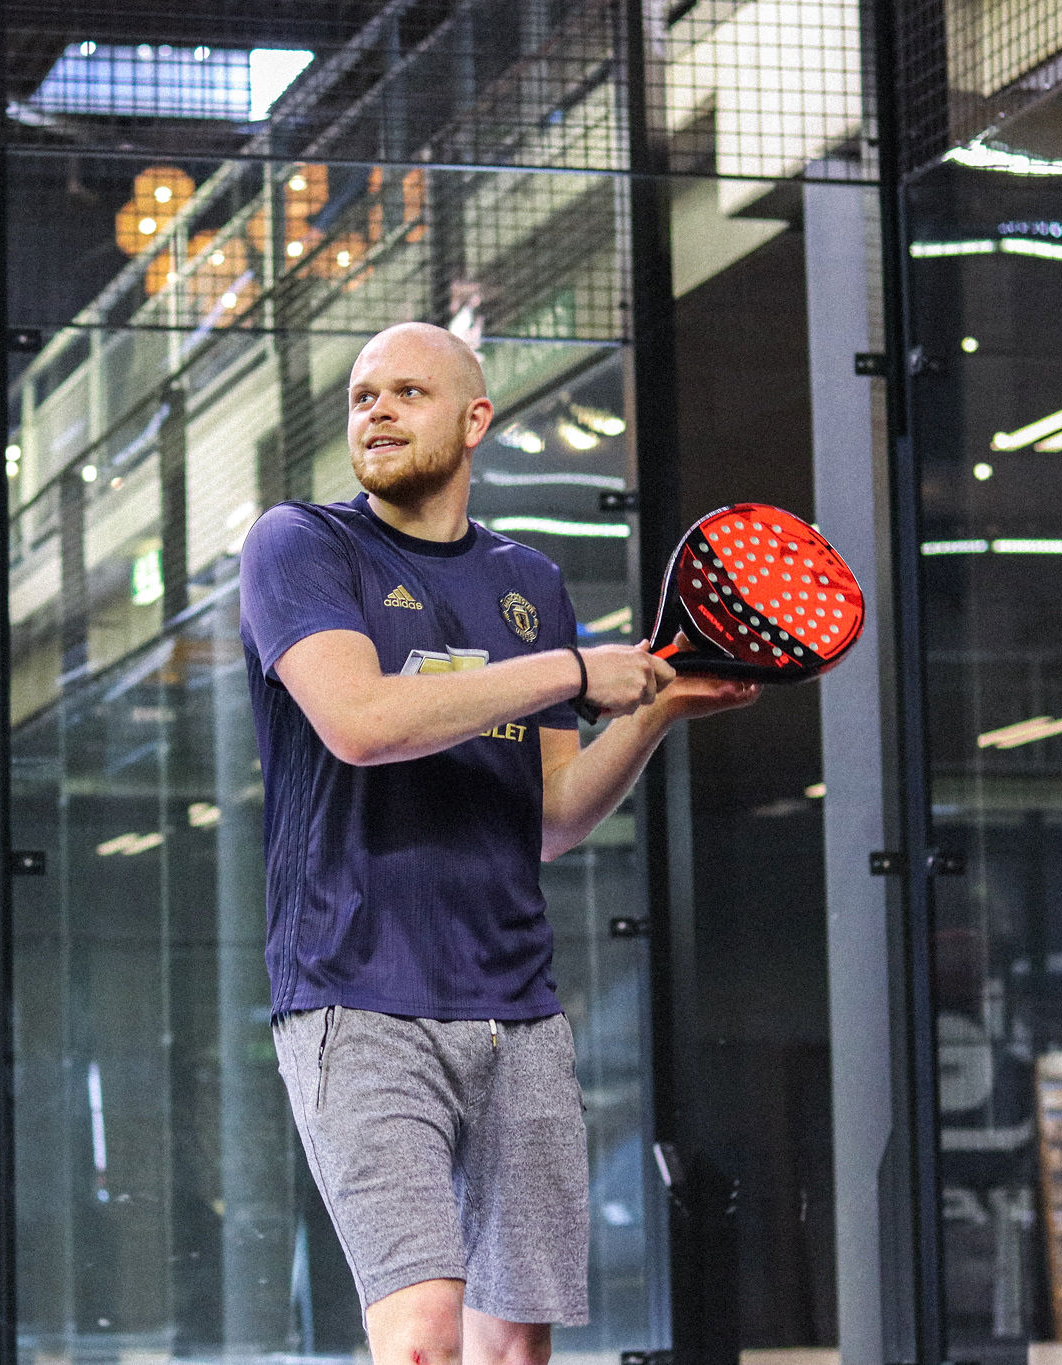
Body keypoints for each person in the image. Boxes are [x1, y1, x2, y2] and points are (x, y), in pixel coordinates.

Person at [238, 322, 761, 1364]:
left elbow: (552, 815)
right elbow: (360, 722)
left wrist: (647, 715)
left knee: (512, 1346)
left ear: (475, 419)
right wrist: (570, 672)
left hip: (514, 1011)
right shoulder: (300, 544)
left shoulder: (529, 583)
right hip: (354, 992)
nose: (375, 412)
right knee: (422, 1336)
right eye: (360, 397)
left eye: (405, 394)